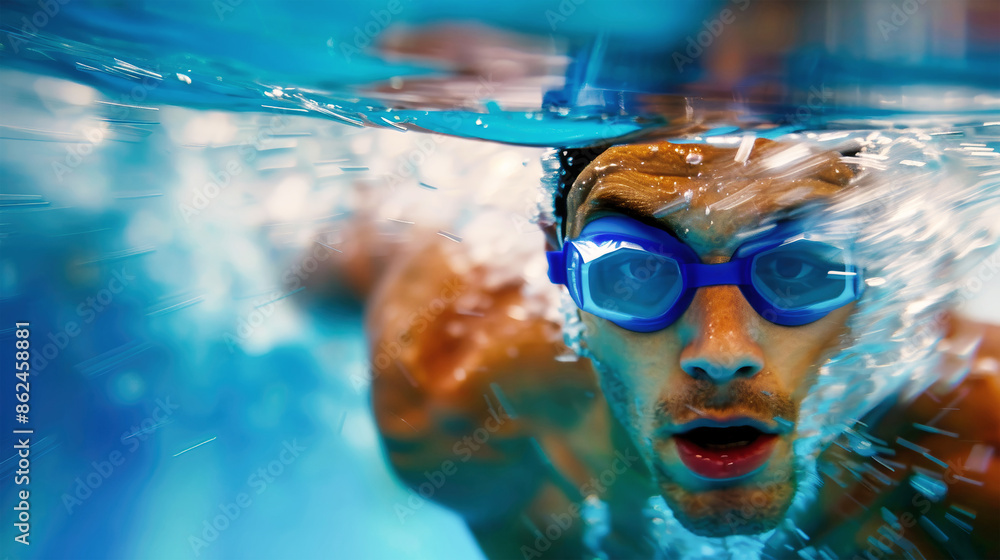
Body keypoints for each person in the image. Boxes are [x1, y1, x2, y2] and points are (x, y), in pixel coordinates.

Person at [362, 136, 999, 559]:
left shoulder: (974, 445)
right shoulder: (460, 405)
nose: (720, 352)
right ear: (558, 265)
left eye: (799, 269)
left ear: (875, 277)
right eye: (633, 269)